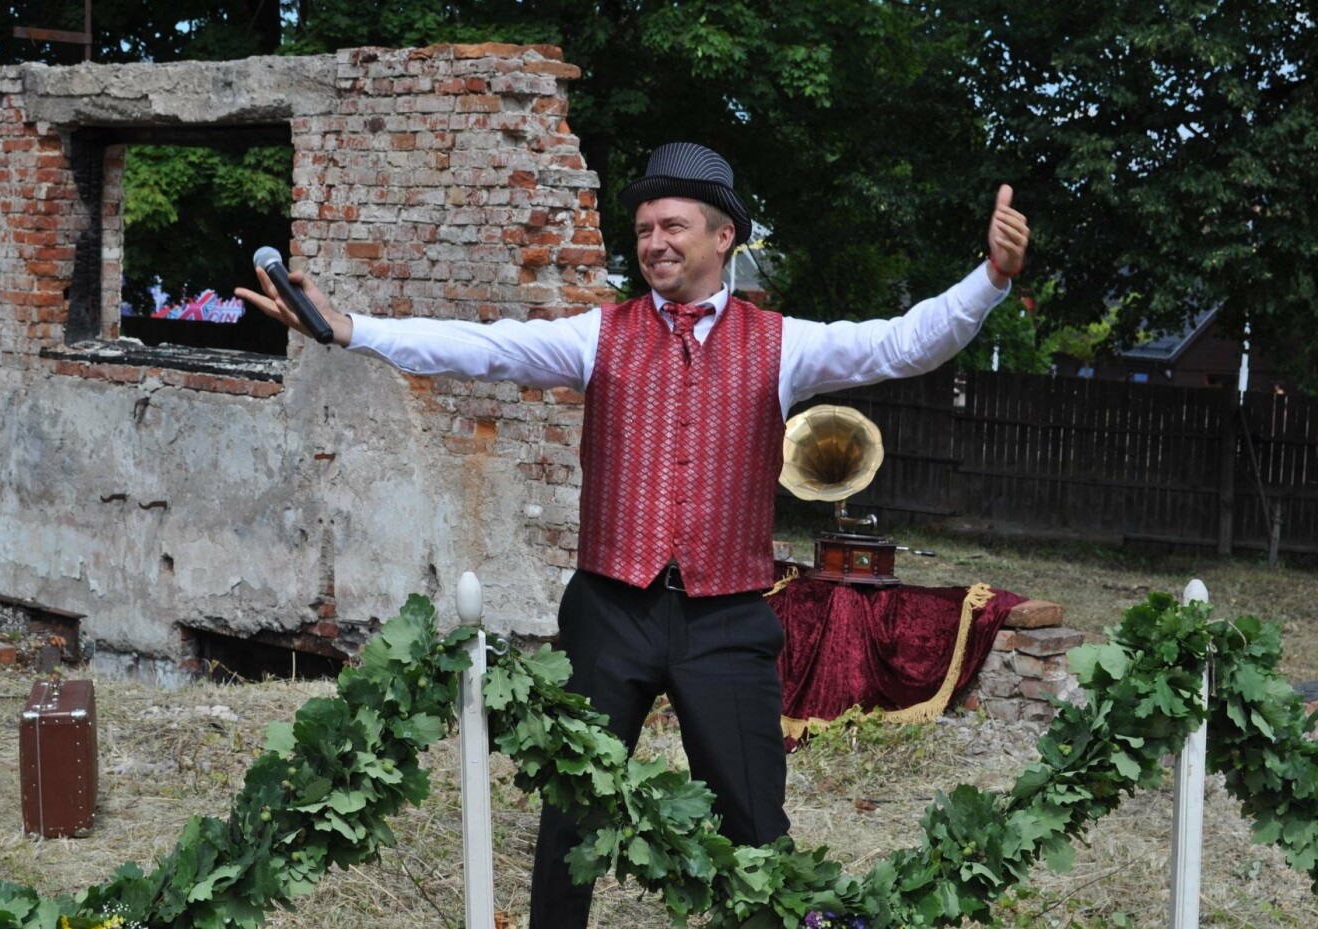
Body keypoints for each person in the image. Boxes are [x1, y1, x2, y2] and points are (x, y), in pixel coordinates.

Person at [236, 141, 1030, 928]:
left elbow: (902, 342)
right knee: (569, 821)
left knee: (754, 823)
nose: (655, 242)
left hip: (727, 617)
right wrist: (348, 327)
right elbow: (480, 348)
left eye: (673, 226)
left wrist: (989, 281)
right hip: (610, 610)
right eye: (645, 227)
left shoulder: (783, 343)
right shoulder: (597, 335)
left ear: (724, 237)